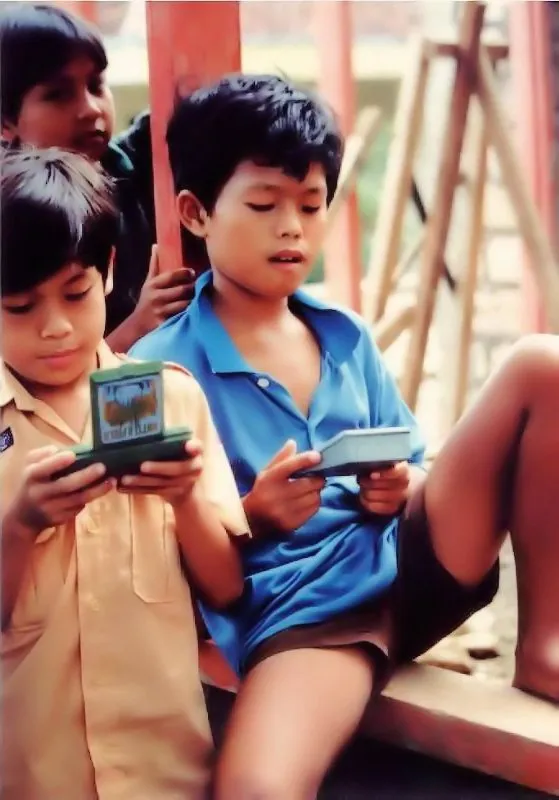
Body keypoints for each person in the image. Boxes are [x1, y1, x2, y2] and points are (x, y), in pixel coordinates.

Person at [131, 74, 559, 799]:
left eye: (310, 204)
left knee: (541, 364)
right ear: (196, 213)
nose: (292, 227)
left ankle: (545, 646)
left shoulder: (343, 332)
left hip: (411, 563)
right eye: (264, 205)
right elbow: (162, 558)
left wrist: (398, 486)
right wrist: (253, 515)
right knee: (257, 789)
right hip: (312, 612)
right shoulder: (162, 368)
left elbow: (416, 466)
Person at [0, 147, 248, 799]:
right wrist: (18, 525)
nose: (55, 328)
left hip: (166, 775)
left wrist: (186, 498)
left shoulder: (172, 398)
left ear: (109, 270)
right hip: (33, 776)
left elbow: (226, 589)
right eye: (20, 306)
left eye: (75, 293)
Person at [0, 2, 193, 349]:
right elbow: (36, 365)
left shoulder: (133, 165)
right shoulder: (11, 218)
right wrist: (137, 328)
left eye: (96, 85)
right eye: (58, 95)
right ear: (5, 123)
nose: (90, 108)